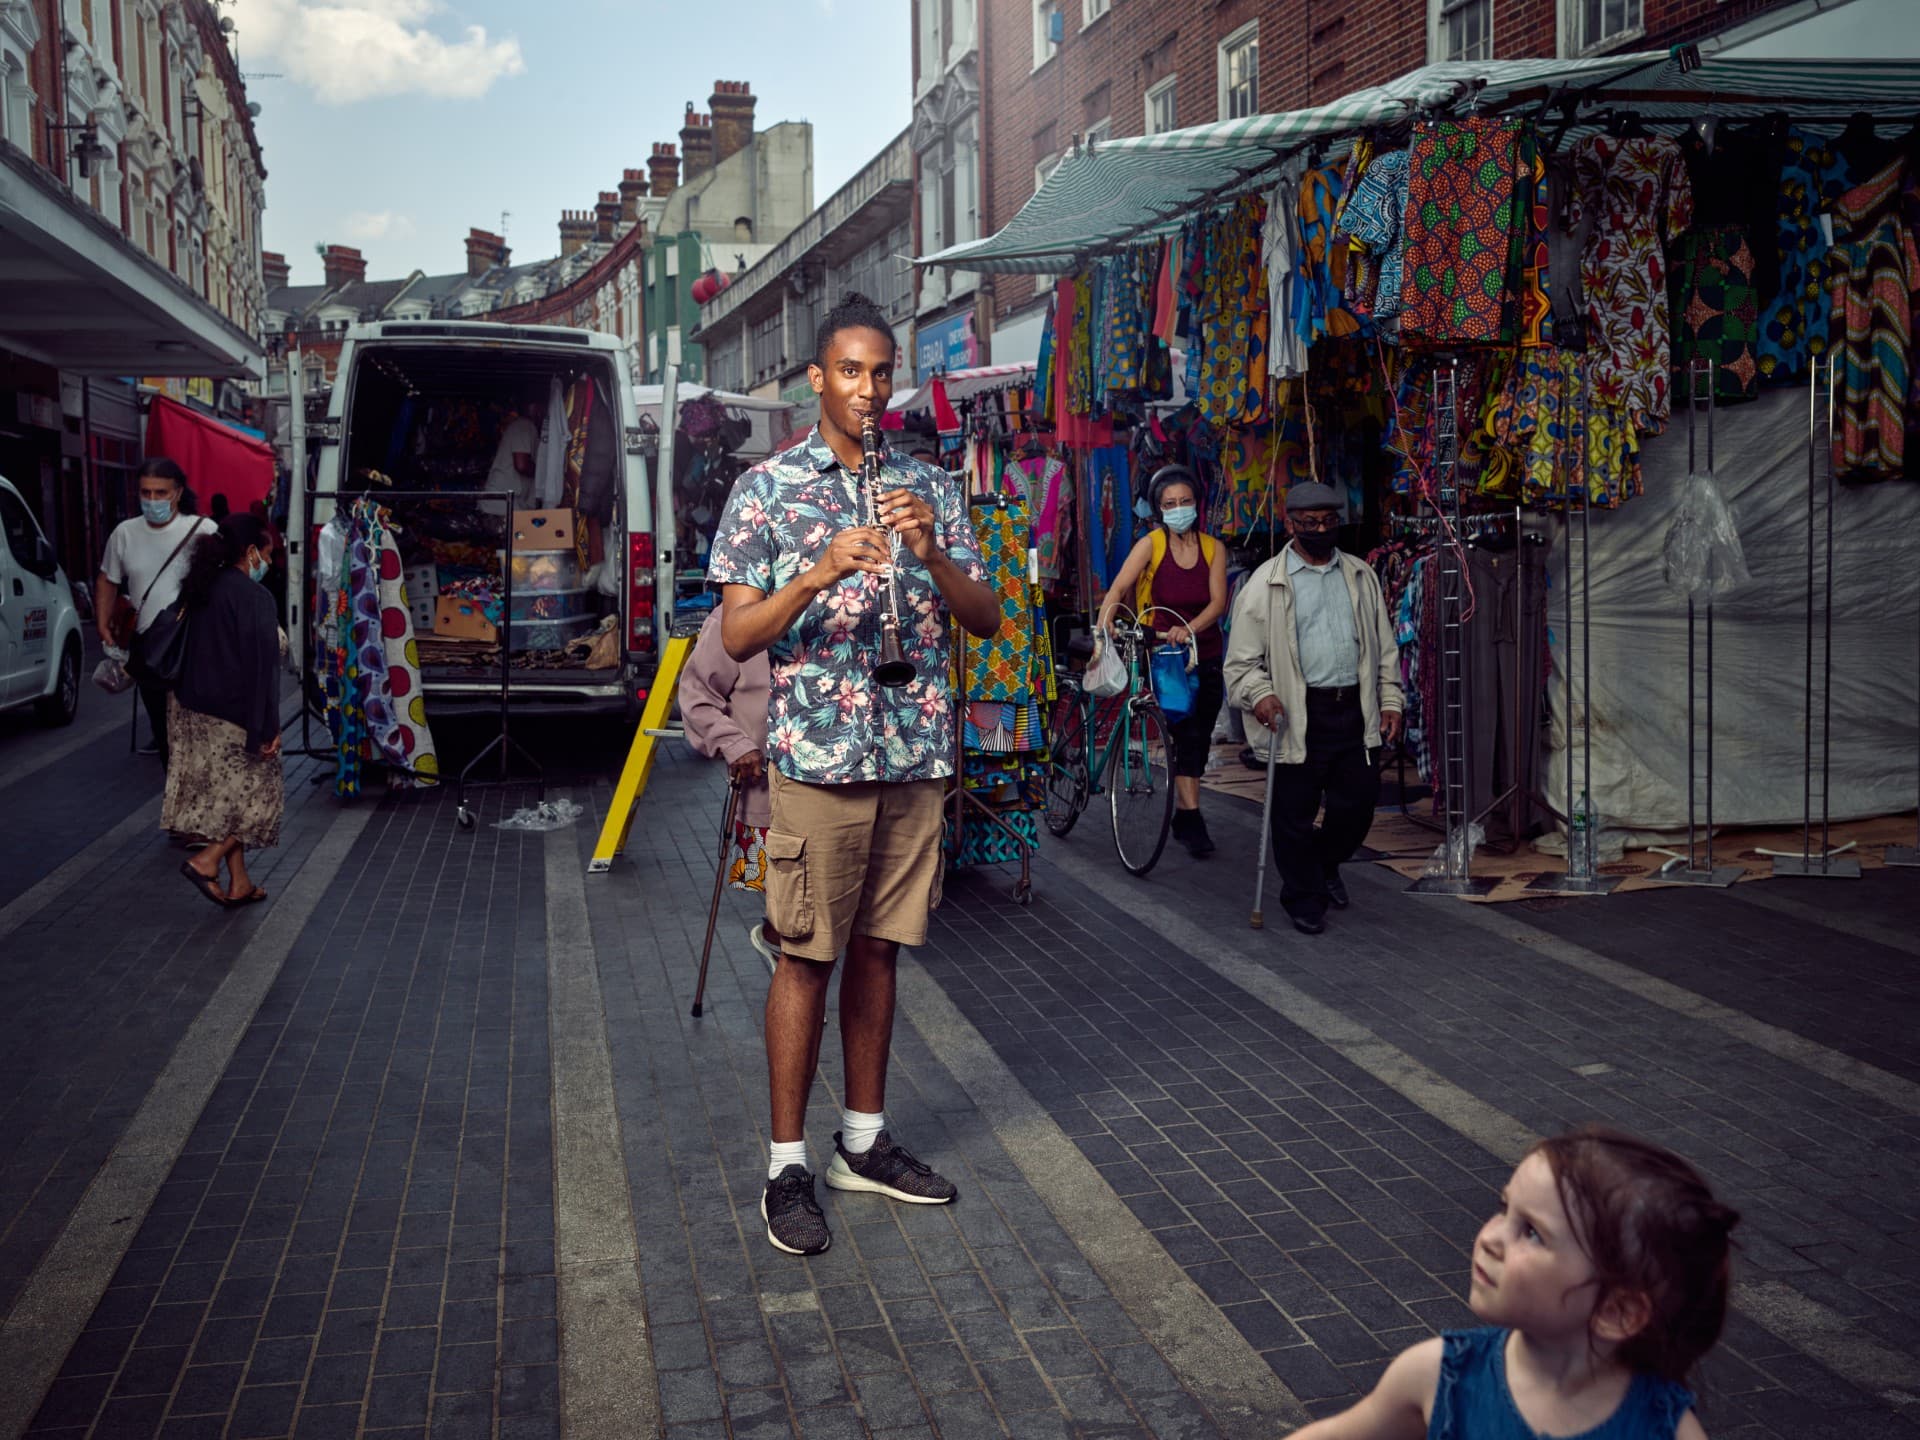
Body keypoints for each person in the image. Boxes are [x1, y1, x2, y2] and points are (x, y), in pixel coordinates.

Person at [708, 291, 1000, 1257]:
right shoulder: (768, 488)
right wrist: (818, 573)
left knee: (882, 948)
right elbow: (740, 633)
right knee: (807, 953)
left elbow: (986, 616)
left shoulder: (929, 483)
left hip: (913, 750)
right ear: (817, 380)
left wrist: (929, 551)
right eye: (850, 371)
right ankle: (786, 1164)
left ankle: (862, 1144)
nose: (869, 389)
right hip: (820, 759)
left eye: (882, 372)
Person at [1287, 1125, 1736, 1439]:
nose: (1491, 1238)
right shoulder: (1439, 1374)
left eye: (1532, 1232)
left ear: (1615, 1312)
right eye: (1504, 1209)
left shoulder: (1663, 1429)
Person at [1224, 482, 1401, 935]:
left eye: (1328, 522)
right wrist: (1260, 695)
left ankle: (1323, 865)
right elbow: (1241, 665)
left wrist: (1391, 699)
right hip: (1296, 714)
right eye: (1310, 523)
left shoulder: (1362, 575)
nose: (1321, 530)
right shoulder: (1263, 585)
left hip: (1352, 710)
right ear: (1290, 524)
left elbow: (1384, 648)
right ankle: (1303, 896)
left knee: (1357, 807)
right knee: (1293, 814)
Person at [1095, 465, 1229, 856]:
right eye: (1170, 504)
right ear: (1159, 509)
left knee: (1200, 733)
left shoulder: (1213, 549)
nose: (1178, 509)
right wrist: (1105, 630)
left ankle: (1187, 817)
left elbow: (1218, 602)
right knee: (1184, 730)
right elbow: (1119, 587)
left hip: (1205, 652)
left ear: (1196, 504)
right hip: (1165, 655)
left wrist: (1190, 629)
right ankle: (1192, 817)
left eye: (1185, 501)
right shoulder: (1151, 545)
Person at [166, 514, 284, 907]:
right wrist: (266, 728)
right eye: (268, 555)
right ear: (251, 552)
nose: (269, 563)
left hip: (193, 711)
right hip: (233, 714)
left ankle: (240, 882)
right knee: (260, 799)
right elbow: (261, 668)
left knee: (231, 796)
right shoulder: (255, 598)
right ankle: (206, 861)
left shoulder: (201, 586)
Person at [680, 605, 780, 965]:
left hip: (836, 786)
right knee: (783, 905)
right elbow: (696, 695)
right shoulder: (733, 615)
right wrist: (734, 743)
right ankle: (776, 947)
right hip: (765, 788)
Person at [96, 458, 212, 763]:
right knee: (164, 734)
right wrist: (103, 623)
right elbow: (108, 579)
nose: (152, 500)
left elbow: (229, 580)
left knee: (198, 731)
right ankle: (175, 794)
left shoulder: (203, 529)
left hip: (193, 646)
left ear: (177, 492)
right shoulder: (124, 533)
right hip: (149, 649)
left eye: (160, 493)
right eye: (145, 493)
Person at [484, 396, 542, 510]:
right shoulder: (524, 425)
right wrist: (543, 474)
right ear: (535, 408)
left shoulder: (525, 427)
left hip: (504, 503)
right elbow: (521, 465)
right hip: (501, 505)